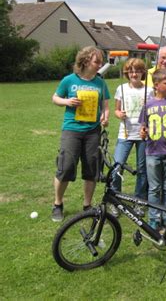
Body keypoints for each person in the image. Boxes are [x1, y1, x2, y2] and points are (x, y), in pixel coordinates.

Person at [51, 46, 110, 222]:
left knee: (91, 169)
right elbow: (55, 98)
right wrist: (67, 101)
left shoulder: (100, 82)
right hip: (72, 129)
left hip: (93, 131)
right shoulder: (69, 80)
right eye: (96, 61)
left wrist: (105, 117)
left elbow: (105, 106)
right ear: (85, 61)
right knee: (67, 166)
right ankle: (58, 204)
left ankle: (87, 206)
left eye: (100, 61)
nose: (100, 64)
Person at [139, 69, 166, 230]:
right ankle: (154, 218)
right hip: (153, 152)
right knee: (154, 187)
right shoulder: (148, 105)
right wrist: (143, 132)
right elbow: (143, 127)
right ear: (156, 85)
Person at [110, 58, 147, 217]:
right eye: (131, 71)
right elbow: (116, 110)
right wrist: (120, 114)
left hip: (143, 134)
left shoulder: (149, 90)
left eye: (137, 70)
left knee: (142, 169)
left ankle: (139, 201)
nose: (134, 73)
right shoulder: (121, 88)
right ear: (127, 73)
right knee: (116, 166)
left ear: (142, 73)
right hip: (125, 133)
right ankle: (115, 200)